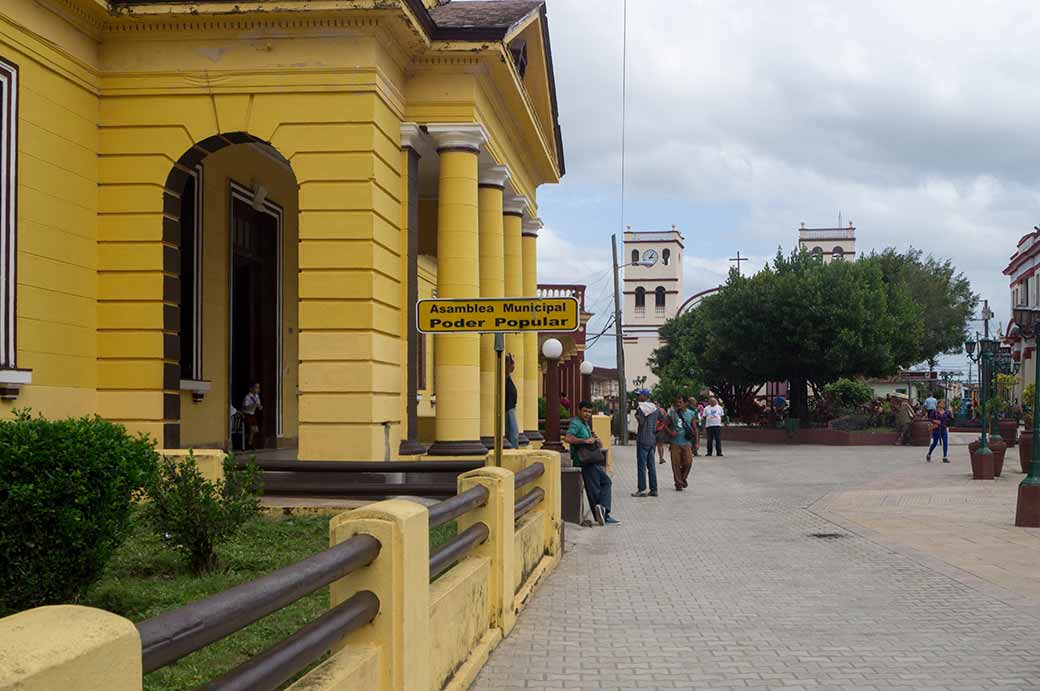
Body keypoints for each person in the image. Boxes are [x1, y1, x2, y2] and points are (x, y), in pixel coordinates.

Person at [565, 401, 618, 525]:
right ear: (579, 411)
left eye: (589, 411)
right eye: (585, 411)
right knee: (594, 489)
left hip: (591, 460)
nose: (587, 414)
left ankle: (603, 510)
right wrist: (584, 440)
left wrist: (595, 440)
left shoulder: (585, 424)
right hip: (584, 461)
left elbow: (592, 439)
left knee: (606, 482)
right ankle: (602, 514)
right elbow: (568, 438)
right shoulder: (576, 423)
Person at [632, 389, 659, 497]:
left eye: (639, 395)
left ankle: (642, 489)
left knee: (641, 465)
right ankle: (654, 489)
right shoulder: (655, 408)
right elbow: (660, 418)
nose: (638, 397)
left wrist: (637, 416)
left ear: (645, 396)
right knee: (651, 466)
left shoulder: (642, 408)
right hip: (652, 439)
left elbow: (642, 422)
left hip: (643, 439)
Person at [666, 395, 696, 491]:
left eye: (680, 402)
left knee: (688, 462)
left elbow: (695, 429)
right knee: (676, 464)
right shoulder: (672, 413)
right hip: (675, 443)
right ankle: (678, 483)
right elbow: (664, 424)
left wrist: (697, 442)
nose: (678, 404)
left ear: (685, 403)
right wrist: (671, 432)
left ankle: (683, 478)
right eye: (677, 402)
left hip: (687, 443)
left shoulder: (691, 413)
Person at [241, 382, 263, 450]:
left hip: (252, 414)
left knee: (256, 430)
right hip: (246, 414)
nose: (258, 389)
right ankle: (249, 444)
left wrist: (259, 406)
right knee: (251, 429)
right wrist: (254, 405)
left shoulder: (257, 396)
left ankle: (249, 442)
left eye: (258, 387)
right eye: (256, 387)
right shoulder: (247, 397)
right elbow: (245, 407)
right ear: (251, 388)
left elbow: (258, 405)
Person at [504, 354, 519, 449]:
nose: (513, 366)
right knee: (513, 432)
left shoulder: (508, 378)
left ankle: (513, 449)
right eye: (511, 363)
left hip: (511, 408)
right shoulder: (504, 378)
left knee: (514, 433)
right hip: (508, 409)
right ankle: (512, 449)